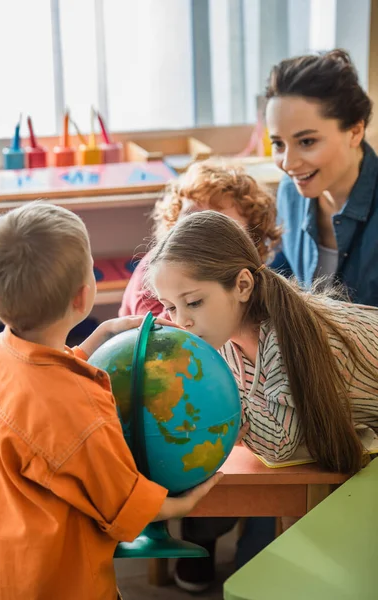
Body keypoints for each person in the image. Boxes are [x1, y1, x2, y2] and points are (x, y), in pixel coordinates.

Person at [0, 201, 222, 600]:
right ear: (83, 295)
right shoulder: (80, 412)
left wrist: (96, 340)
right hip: (56, 581)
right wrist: (182, 505)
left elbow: (40, 378)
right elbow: (124, 504)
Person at [119, 159, 281, 593]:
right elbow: (153, 358)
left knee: (264, 475)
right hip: (170, 406)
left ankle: (245, 550)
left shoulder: (260, 287)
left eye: (218, 224)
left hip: (237, 406)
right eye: (192, 220)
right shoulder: (161, 278)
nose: (202, 231)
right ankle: (201, 540)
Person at [147, 210, 378, 475]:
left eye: (194, 302)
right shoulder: (223, 335)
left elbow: (278, 443)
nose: (182, 321)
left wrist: (224, 411)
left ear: (242, 285)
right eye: (170, 308)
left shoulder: (283, 338)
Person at [265, 49, 378, 305]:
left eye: (307, 141)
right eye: (279, 144)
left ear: (355, 131)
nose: (288, 163)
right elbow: (283, 272)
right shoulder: (290, 192)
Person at [119, 158, 281, 318]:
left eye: (219, 228)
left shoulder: (245, 276)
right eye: (191, 217)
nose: (199, 235)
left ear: (249, 242)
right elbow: (157, 337)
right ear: (173, 220)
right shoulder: (154, 270)